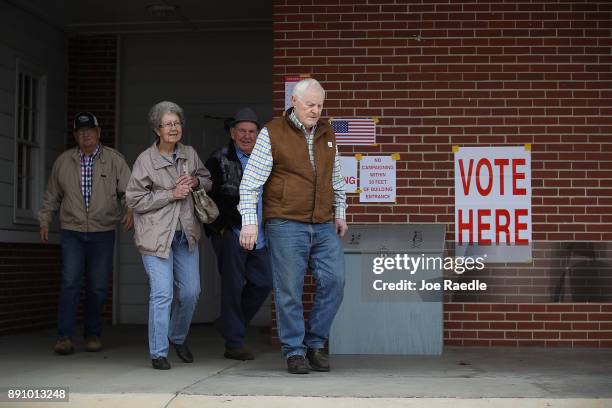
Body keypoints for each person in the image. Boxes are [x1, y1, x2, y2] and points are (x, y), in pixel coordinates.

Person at [238, 79, 348, 374]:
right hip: (286, 222)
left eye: (320, 105)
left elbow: (336, 178)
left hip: (323, 223)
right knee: (289, 290)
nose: (316, 110)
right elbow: (250, 184)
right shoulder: (272, 133)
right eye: (310, 104)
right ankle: (294, 351)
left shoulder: (328, 133)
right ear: (295, 102)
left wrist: (340, 212)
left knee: (335, 281)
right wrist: (250, 223)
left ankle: (315, 343)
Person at [126, 101, 212, 370]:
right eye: (168, 124)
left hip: (185, 234)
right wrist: (170, 194)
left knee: (191, 292)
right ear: (156, 129)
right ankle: (158, 352)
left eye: (177, 123)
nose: (174, 128)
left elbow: (207, 179)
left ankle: (176, 336)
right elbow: (135, 199)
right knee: (162, 294)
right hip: (156, 237)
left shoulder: (189, 153)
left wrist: (196, 182)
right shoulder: (145, 160)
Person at [39, 111, 133, 355]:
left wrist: (131, 210)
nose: (86, 135)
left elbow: (129, 191)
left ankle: (92, 335)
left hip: (103, 232)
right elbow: (52, 195)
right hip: (72, 230)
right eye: (81, 132)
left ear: (98, 133)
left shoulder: (114, 160)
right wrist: (45, 220)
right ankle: (64, 337)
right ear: (75, 136)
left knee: (98, 286)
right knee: (70, 281)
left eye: (90, 131)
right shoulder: (64, 161)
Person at [205, 107, 272, 361]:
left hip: (260, 234)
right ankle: (234, 342)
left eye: (252, 131)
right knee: (233, 286)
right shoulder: (219, 159)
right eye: (242, 131)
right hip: (231, 232)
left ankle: (228, 324)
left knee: (264, 282)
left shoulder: (267, 159)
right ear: (233, 134)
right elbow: (205, 197)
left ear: (258, 134)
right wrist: (220, 229)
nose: (247, 136)